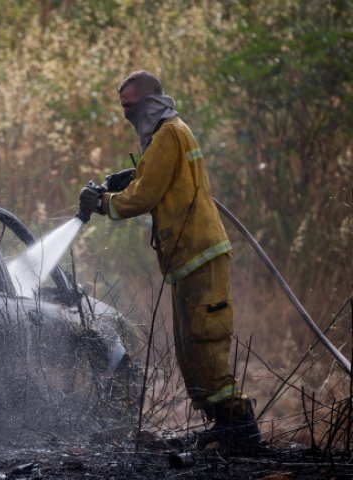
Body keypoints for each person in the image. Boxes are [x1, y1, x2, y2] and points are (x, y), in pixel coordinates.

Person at [76, 70, 262, 450]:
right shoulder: (170, 135)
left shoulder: (169, 134)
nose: (128, 116)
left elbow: (143, 198)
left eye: (130, 108)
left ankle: (239, 426)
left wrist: (103, 202)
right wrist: (132, 176)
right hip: (189, 258)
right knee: (189, 350)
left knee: (203, 345)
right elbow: (158, 183)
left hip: (201, 255)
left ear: (148, 102)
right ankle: (225, 426)